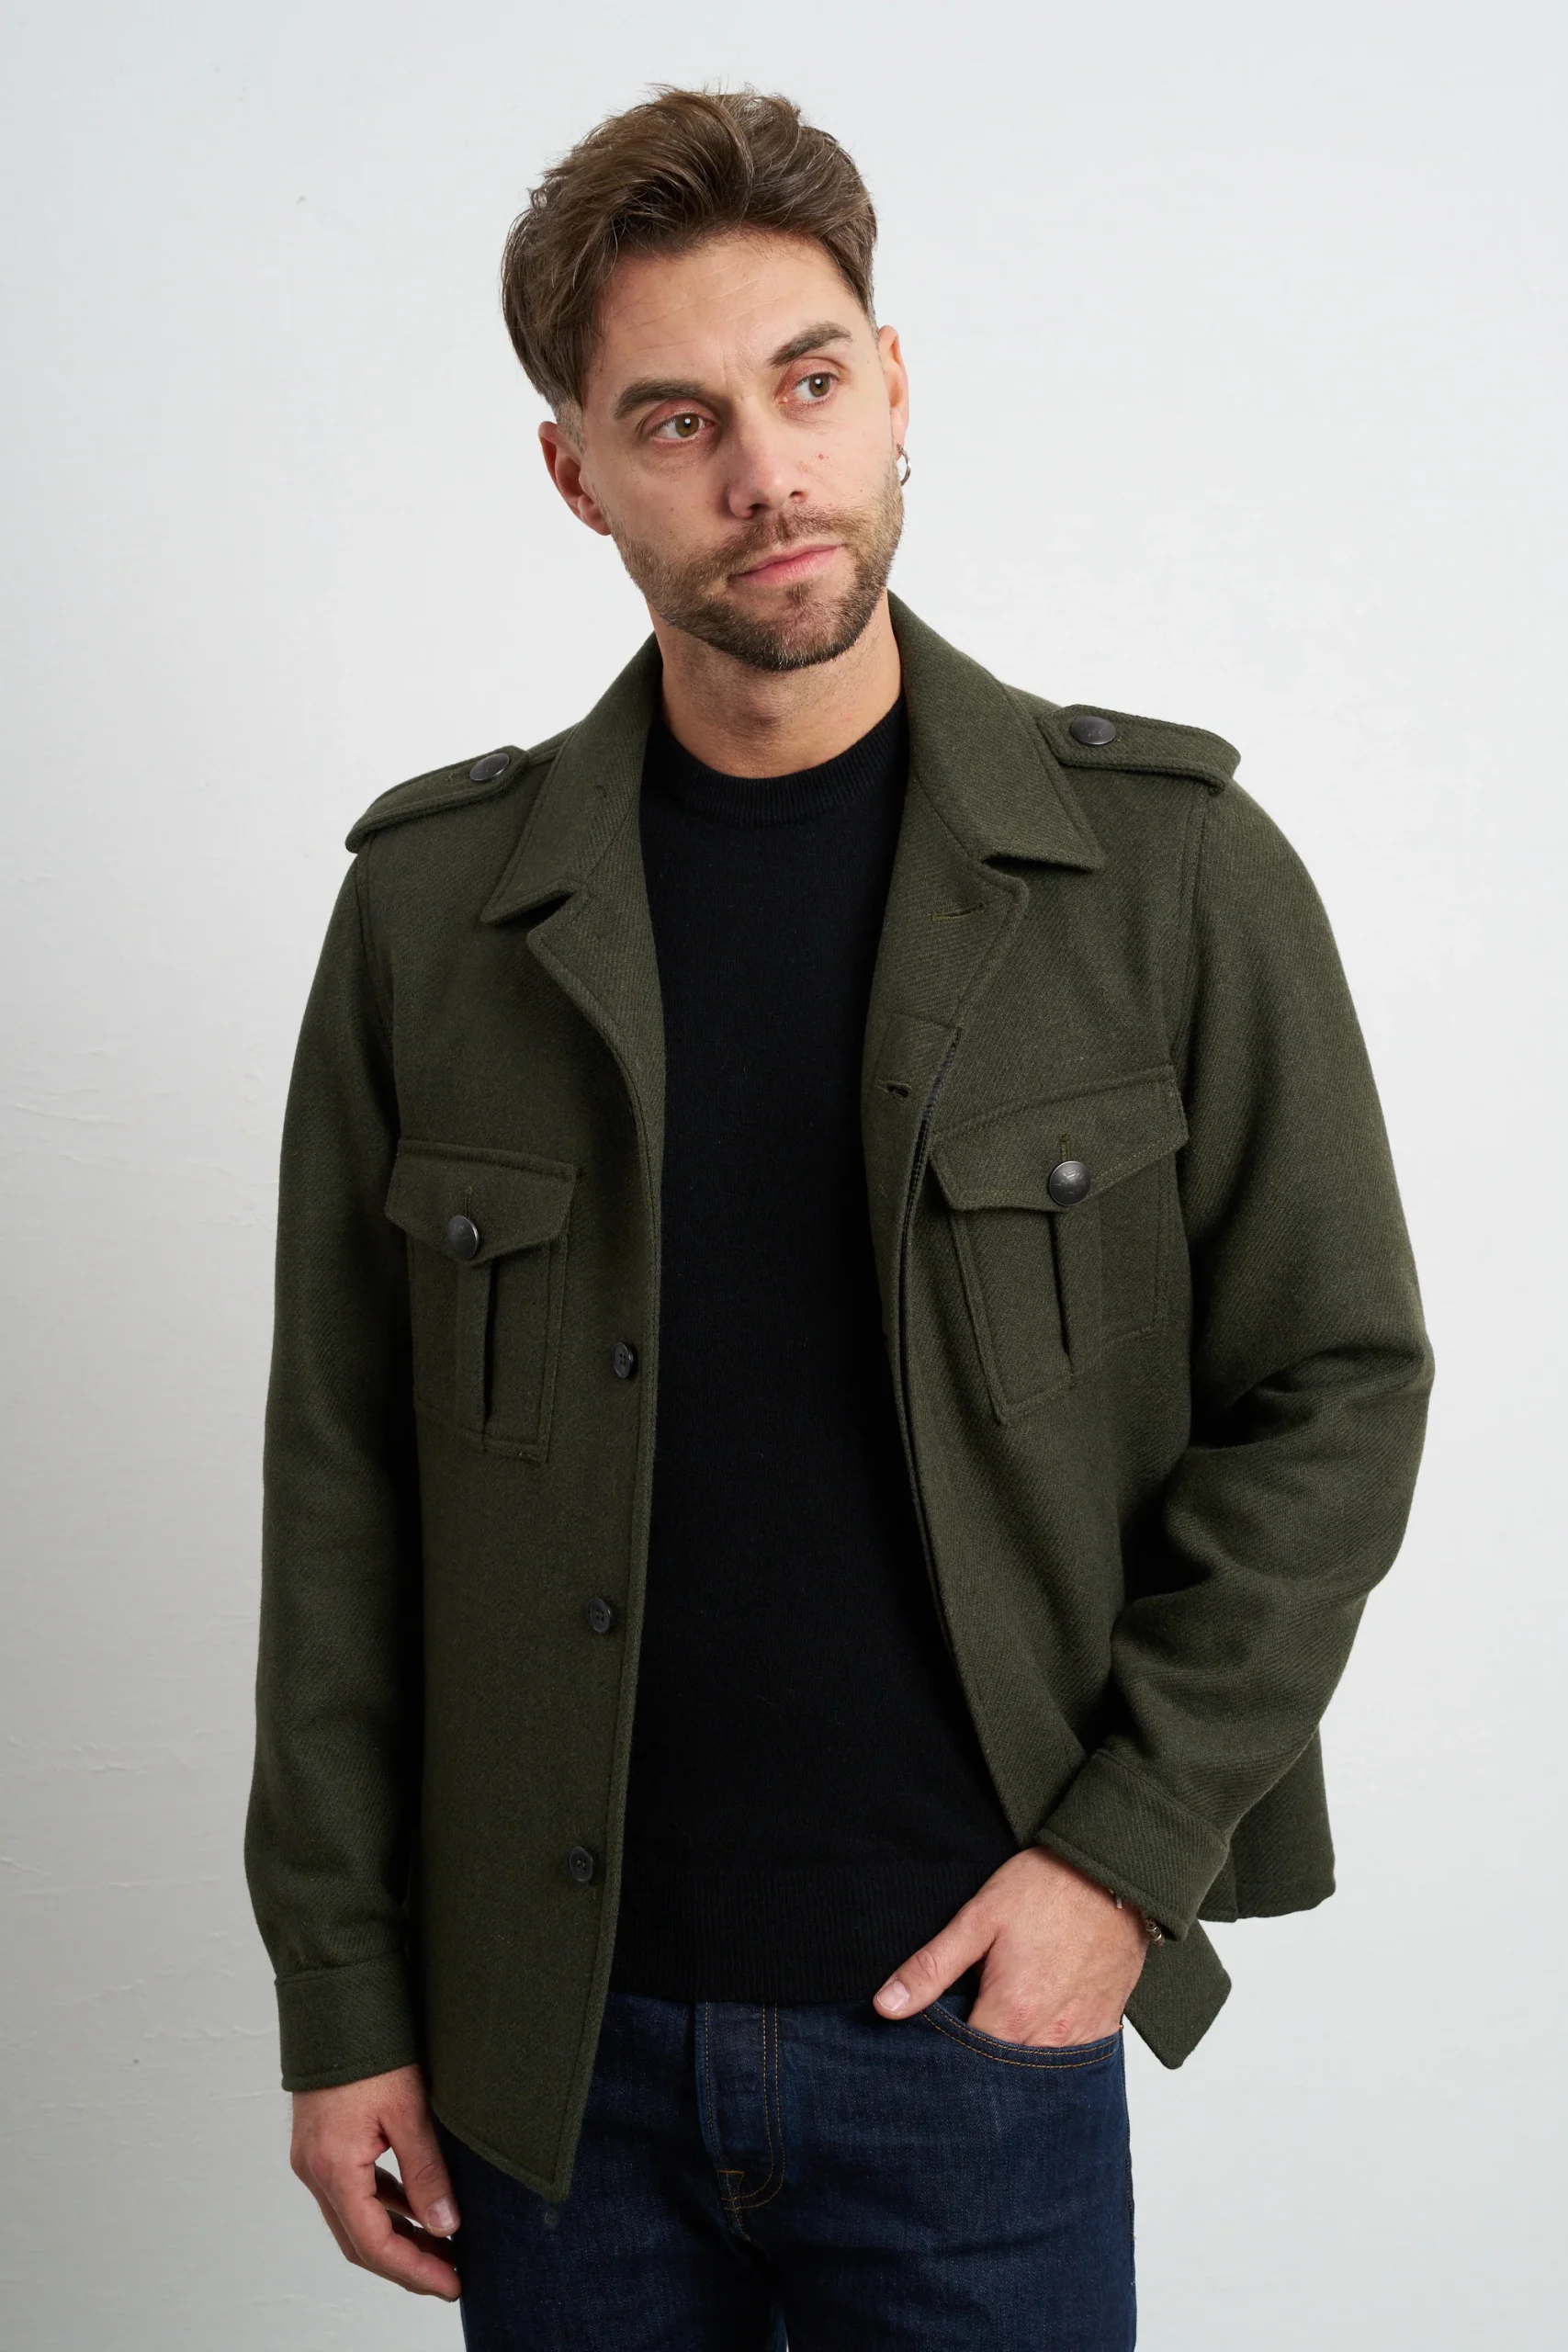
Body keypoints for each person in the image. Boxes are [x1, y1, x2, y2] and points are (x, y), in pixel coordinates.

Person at [244, 85, 1433, 2349]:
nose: (766, 474)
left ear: (891, 386)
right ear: (576, 474)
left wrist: (1119, 1860)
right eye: (675, 420)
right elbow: (343, 1488)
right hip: (548, 2056)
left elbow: (1338, 1383)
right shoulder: (431, 920)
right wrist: (343, 1991)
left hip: (974, 2031)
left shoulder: (1166, 875)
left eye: (805, 385)